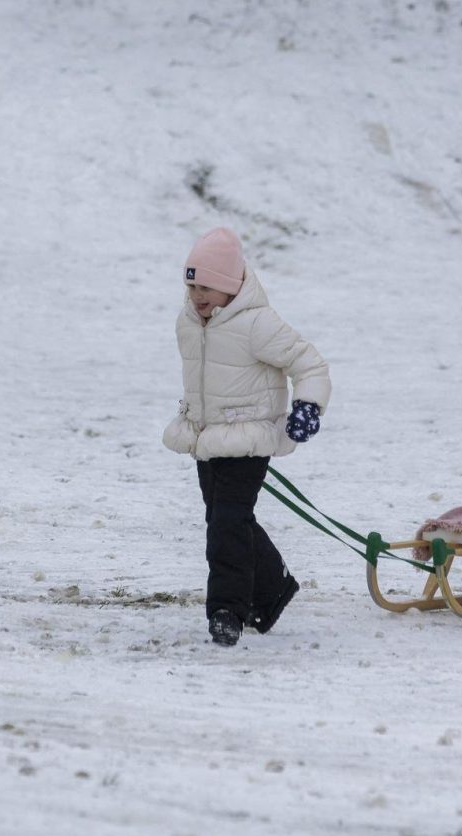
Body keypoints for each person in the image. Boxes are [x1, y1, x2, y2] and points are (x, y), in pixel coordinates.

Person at [163, 228, 331, 646]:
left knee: (226, 523)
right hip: (207, 440)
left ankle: (227, 611)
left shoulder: (258, 323)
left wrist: (308, 406)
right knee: (228, 521)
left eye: (207, 287)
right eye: (192, 286)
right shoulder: (189, 322)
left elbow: (308, 363)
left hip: (249, 439)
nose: (197, 296)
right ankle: (274, 587)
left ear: (231, 286)